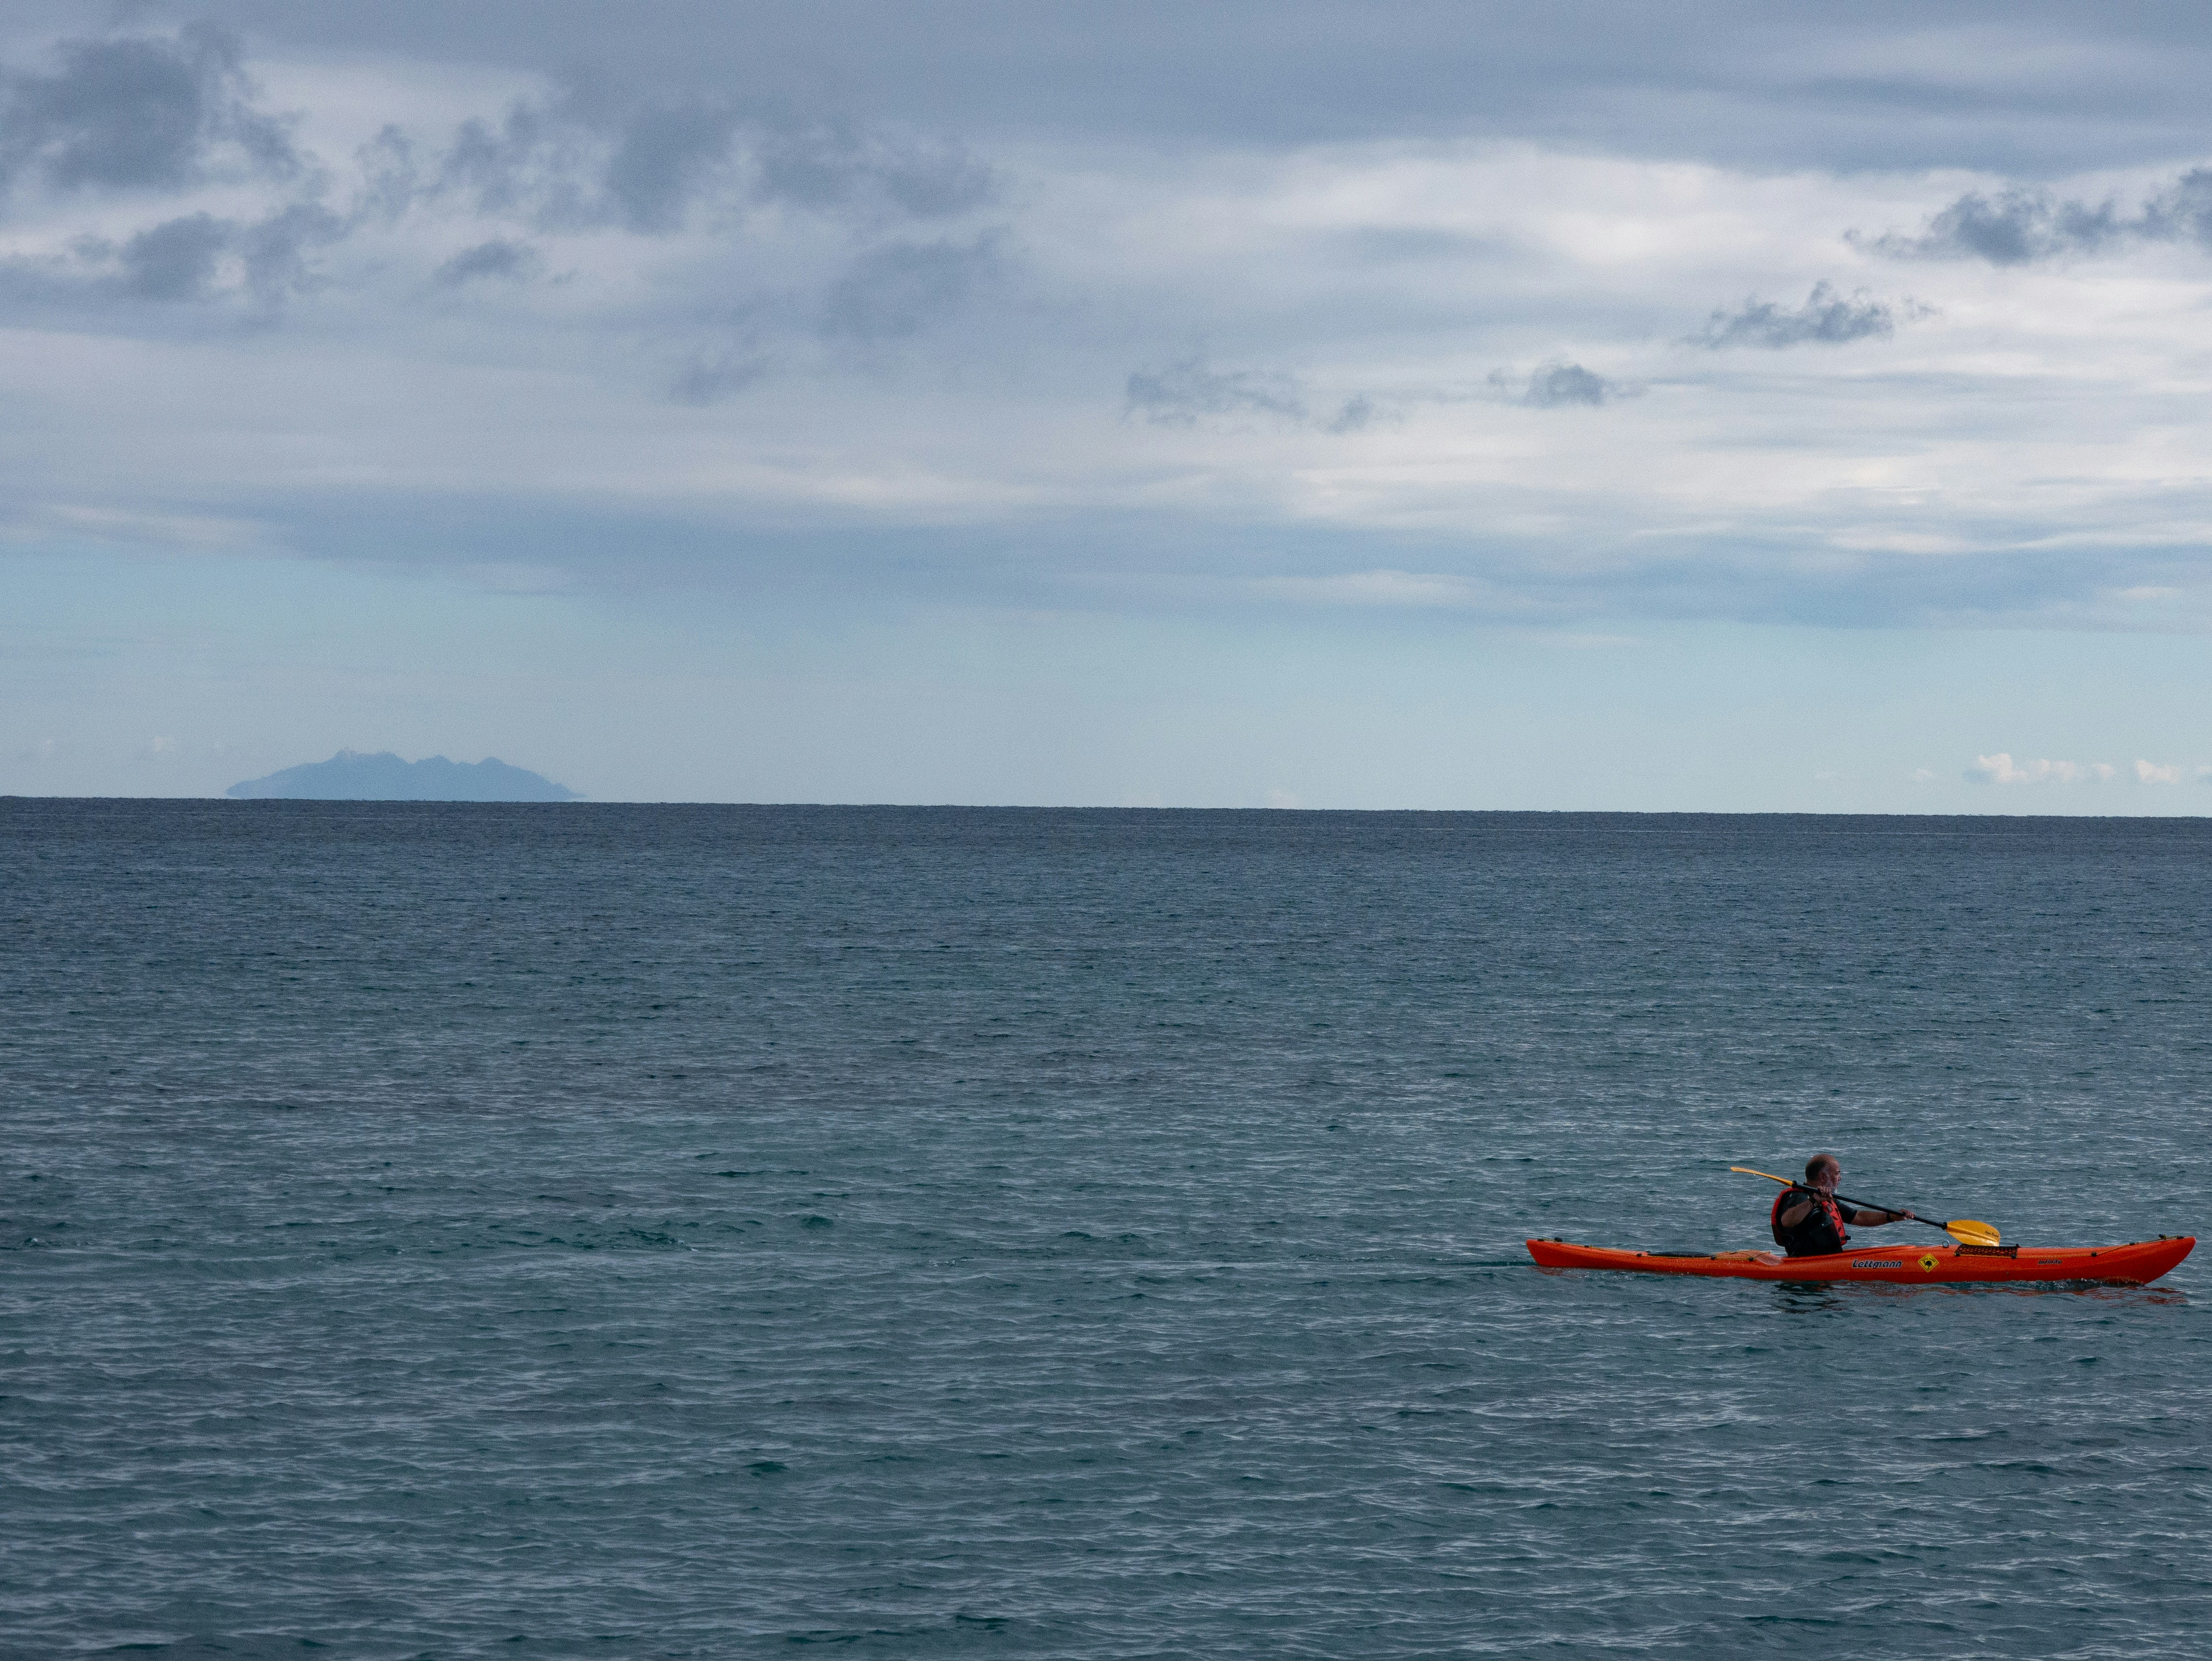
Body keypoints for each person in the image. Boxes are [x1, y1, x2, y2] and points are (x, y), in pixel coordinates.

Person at [1771, 1154, 1916, 1256]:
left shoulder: (1827, 1199)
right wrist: (1814, 1201)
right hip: (1808, 1264)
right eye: (1837, 1173)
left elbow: (1859, 1217)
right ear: (1823, 1177)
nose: (1840, 1178)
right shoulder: (1800, 1196)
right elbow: (1787, 1221)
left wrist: (1891, 1217)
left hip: (1830, 1259)